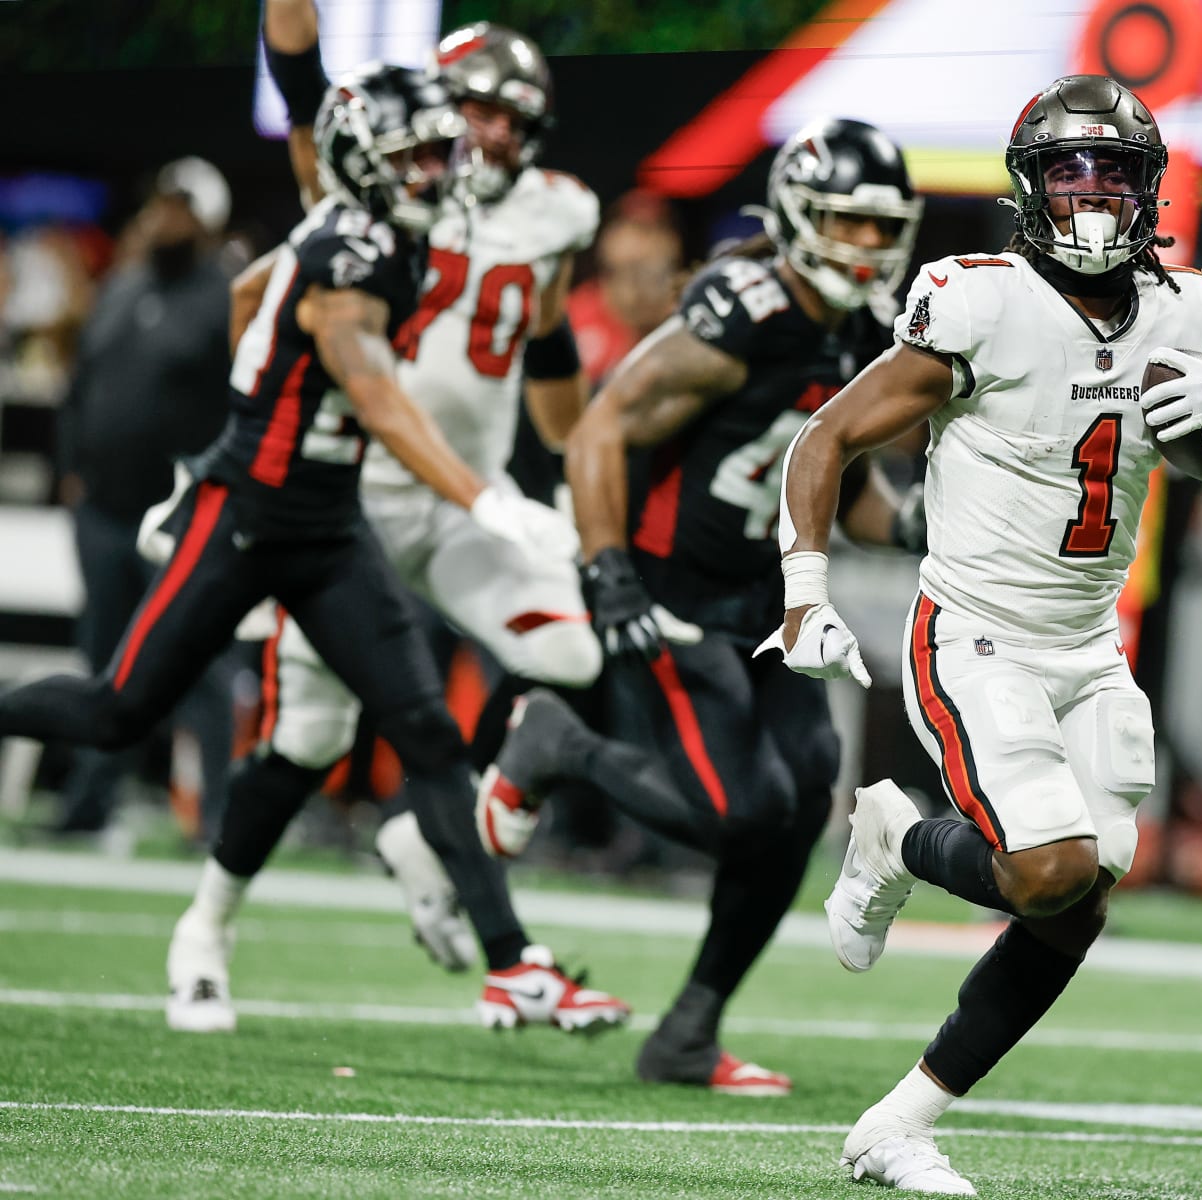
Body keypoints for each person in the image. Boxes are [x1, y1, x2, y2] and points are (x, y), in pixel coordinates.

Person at [0, 62, 624, 1036]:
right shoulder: (347, 248)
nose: (433, 172)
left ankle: (514, 964)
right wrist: (483, 498)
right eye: (412, 156)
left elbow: (259, 305)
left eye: (437, 154)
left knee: (423, 728)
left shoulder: (394, 236)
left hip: (332, 525)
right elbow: (373, 388)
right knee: (120, 711)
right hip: (250, 516)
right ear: (359, 162)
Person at [766, 75, 1202, 1192]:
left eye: (1115, 169)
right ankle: (894, 838)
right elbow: (827, 437)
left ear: (1151, 186)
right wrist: (804, 591)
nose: (1095, 190)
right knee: (1049, 867)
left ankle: (898, 1124)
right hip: (973, 631)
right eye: (1070, 168)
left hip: (1089, 648)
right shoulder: (979, 301)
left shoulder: (1190, 317)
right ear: (1031, 187)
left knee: (1080, 898)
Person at [164, 19, 615, 1003]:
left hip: (472, 509)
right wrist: (254, 442)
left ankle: (431, 838)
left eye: (509, 117)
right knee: (310, 739)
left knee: (573, 654)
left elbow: (544, 349)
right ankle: (207, 923)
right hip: (349, 509)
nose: (490, 134)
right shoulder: (384, 191)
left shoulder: (557, 214)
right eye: (475, 111)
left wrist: (578, 482)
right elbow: (256, 292)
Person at [476, 117, 928, 1096]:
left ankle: (689, 1030)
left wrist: (913, 524)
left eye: (879, 226)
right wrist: (606, 571)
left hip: (765, 592)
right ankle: (555, 743)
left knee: (806, 795)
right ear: (804, 216)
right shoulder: (743, 308)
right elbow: (601, 428)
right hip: (668, 582)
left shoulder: (857, 324)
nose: (866, 244)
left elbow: (839, 481)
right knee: (738, 811)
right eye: (848, 223)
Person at [52, 158, 237, 837]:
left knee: (199, 663)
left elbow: (243, 405)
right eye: (163, 207)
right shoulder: (123, 288)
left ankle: (214, 819)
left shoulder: (224, 298)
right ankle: (87, 806)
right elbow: (82, 385)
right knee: (103, 661)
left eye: (184, 210)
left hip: (180, 514)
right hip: (103, 509)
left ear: (208, 223)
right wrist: (72, 467)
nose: (168, 220)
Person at [566, 190, 685, 388]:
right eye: (632, 227)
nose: (639, 244)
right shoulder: (575, 314)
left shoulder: (688, 317)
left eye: (652, 230)